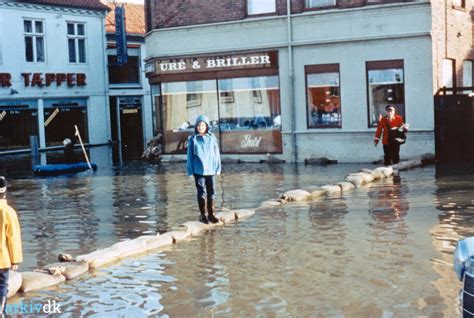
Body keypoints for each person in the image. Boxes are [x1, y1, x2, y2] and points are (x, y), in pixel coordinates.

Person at [186, 115, 221, 224]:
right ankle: (203, 215)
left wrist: (218, 168)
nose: (201, 127)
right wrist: (190, 170)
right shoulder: (192, 139)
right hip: (198, 170)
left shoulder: (212, 138)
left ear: (206, 126)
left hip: (210, 169)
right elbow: (189, 156)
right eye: (199, 125)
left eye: (203, 125)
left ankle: (211, 214)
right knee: (202, 192)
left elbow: (216, 153)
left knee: (212, 192)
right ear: (196, 127)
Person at [0, 177, 23, 314]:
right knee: (2, 286)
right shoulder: (8, 212)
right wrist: (15, 259)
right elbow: (13, 237)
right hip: (2, 259)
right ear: (5, 193)